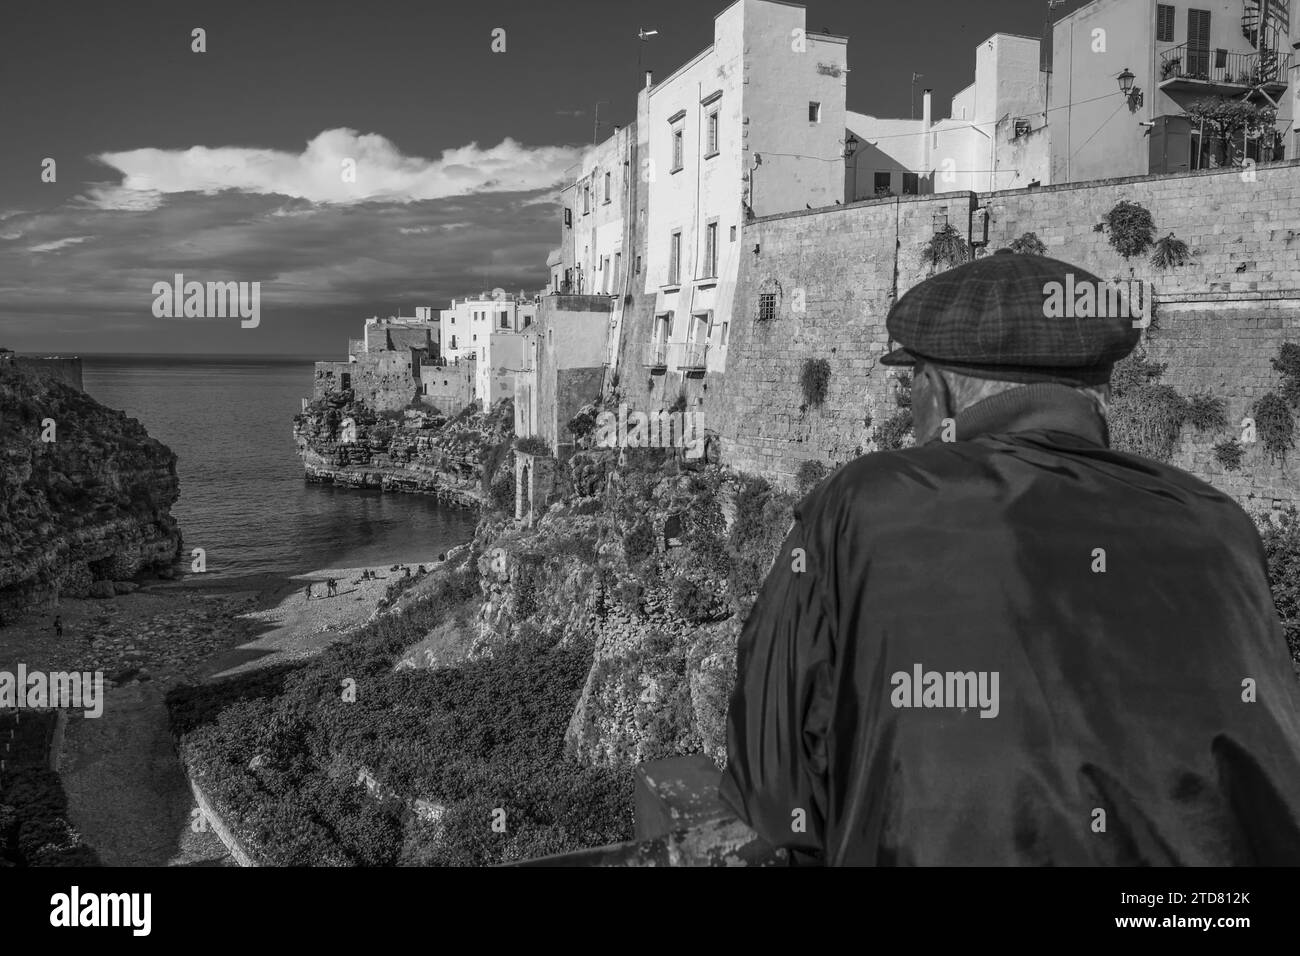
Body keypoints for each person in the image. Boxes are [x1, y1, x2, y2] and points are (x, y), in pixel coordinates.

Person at [720, 250, 1300, 866]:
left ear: (936, 390)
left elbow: (773, 784)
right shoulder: (1219, 524)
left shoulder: (858, 507)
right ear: (1096, 388)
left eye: (909, 382)